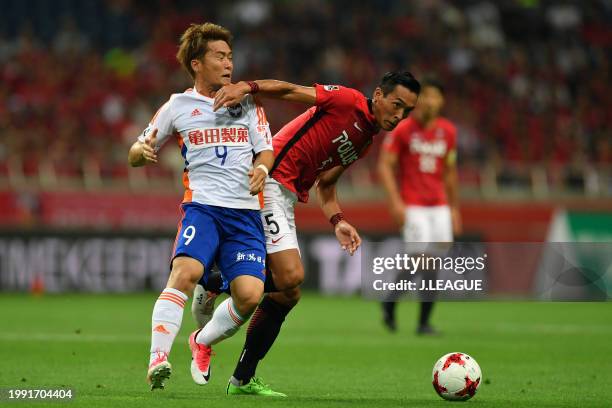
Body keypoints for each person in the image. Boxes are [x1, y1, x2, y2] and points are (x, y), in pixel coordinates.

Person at [195, 71, 420, 396]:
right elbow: (288, 90)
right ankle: (212, 279)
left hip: (286, 196)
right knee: (290, 277)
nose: (399, 116)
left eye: (407, 111)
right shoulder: (346, 100)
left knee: (287, 293)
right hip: (268, 179)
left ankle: (241, 380)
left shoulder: (365, 141)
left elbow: (326, 186)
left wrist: (338, 220)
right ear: (379, 95)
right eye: (397, 105)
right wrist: (247, 87)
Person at [127, 22, 274, 391]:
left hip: (245, 213)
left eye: (230, 56)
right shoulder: (177, 106)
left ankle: (201, 340)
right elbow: (137, 148)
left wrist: (261, 167)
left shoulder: (248, 100)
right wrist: (140, 153)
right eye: (219, 56)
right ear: (197, 63)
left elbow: (266, 149)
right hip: (203, 208)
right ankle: (157, 358)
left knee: (250, 296)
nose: (228, 64)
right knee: (185, 272)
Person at [377, 77, 461, 334]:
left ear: (442, 101)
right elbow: (385, 165)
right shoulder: (404, 129)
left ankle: (400, 308)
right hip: (413, 205)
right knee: (422, 259)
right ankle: (412, 316)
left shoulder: (448, 131)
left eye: (436, 96)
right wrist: (396, 203)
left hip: (440, 206)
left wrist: (455, 208)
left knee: (432, 264)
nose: (430, 102)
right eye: (426, 96)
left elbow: (449, 172)